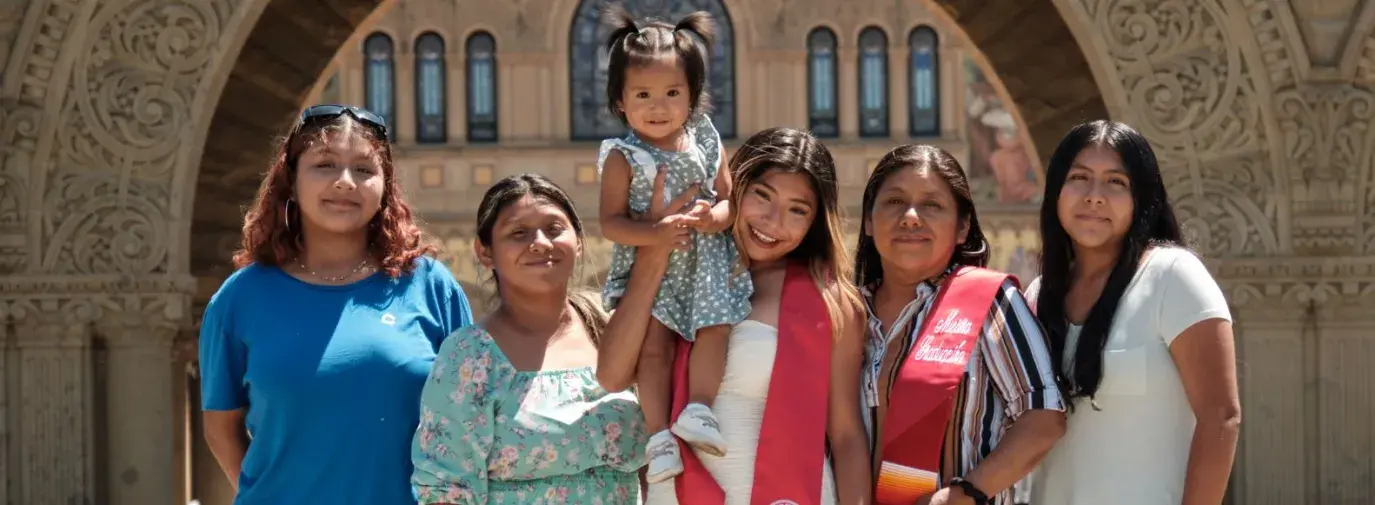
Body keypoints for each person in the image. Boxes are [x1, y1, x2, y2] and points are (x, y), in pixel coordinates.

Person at [198, 104, 474, 504]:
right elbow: (221, 428)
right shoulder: (240, 298)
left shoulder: (431, 286)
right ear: (291, 180)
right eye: (325, 165)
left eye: (364, 170)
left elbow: (470, 419)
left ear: (385, 187)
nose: (345, 182)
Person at [598, 127, 872, 505]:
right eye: (762, 196)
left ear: (814, 222)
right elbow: (612, 375)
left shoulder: (830, 300)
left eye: (798, 210)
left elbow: (846, 435)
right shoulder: (678, 274)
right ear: (734, 188)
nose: (773, 222)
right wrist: (654, 254)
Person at [1027, 120, 1240, 505]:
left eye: (1116, 182)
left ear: (1142, 199)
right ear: (1055, 191)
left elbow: (1221, 416)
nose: (1094, 196)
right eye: (1079, 178)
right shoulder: (1038, 295)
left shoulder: (1172, 276)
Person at [411, 174, 648, 504]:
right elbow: (446, 492)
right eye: (518, 233)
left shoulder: (612, 329)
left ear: (579, 241)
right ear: (485, 252)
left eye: (554, 229)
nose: (540, 243)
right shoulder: (468, 357)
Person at [594, 5, 752, 483]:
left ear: (693, 97)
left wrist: (714, 219)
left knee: (715, 330)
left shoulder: (706, 138)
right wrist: (656, 235)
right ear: (620, 101)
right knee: (654, 351)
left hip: (702, 263)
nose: (657, 106)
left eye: (671, 93)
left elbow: (729, 200)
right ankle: (658, 434)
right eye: (643, 94)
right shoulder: (622, 157)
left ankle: (699, 409)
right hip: (655, 268)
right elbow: (611, 224)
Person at [856, 144, 1065, 505]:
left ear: (962, 226)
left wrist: (964, 495)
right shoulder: (847, 313)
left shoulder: (989, 302)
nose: (910, 216)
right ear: (869, 221)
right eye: (893, 201)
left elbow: (1043, 418)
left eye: (932, 205)